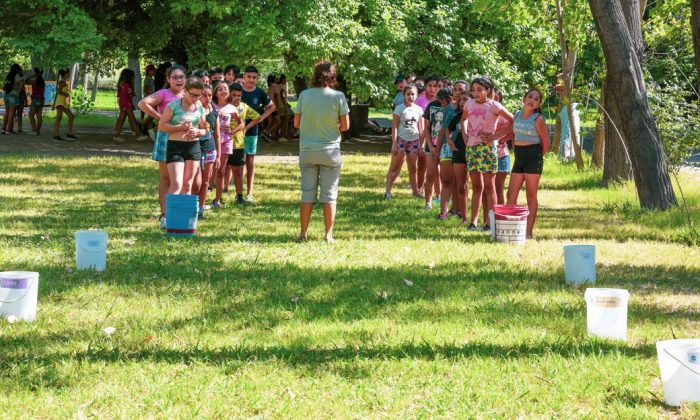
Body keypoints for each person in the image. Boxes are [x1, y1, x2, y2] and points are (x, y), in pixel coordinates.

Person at [294, 60, 350, 242]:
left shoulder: (304, 95)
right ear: (333, 76)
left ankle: (303, 234)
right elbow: (346, 126)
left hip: (307, 150)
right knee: (330, 193)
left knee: (307, 192)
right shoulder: (339, 96)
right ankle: (328, 235)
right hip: (330, 151)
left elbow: (296, 123)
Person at [462, 77, 513, 231]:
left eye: (480, 89)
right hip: (472, 149)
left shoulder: (494, 105)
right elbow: (463, 118)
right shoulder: (468, 104)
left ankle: (491, 223)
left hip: (488, 149)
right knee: (476, 186)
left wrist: (498, 136)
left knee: (489, 188)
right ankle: (474, 222)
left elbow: (513, 121)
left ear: (488, 90)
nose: (476, 93)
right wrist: (465, 134)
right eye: (474, 90)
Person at [139, 64, 187, 228]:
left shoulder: (189, 94)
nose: (178, 80)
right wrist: (160, 117)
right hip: (167, 138)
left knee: (182, 178)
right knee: (166, 178)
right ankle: (165, 214)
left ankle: (179, 211)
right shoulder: (163, 94)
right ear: (168, 79)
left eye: (181, 77)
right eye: (175, 77)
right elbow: (143, 103)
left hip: (185, 139)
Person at [506, 88, 550, 239]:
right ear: (524, 99)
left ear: (538, 105)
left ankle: (528, 232)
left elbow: (546, 143)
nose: (532, 100)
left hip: (533, 159)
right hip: (519, 159)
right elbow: (512, 133)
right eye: (530, 97)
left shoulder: (538, 119)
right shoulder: (517, 115)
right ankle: (510, 230)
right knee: (511, 194)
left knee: (531, 195)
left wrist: (536, 157)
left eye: (536, 99)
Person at [159, 76, 206, 196]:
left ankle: (184, 215)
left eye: (198, 95)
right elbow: (162, 126)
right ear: (185, 91)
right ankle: (169, 215)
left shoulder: (200, 107)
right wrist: (180, 127)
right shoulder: (173, 105)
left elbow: (205, 130)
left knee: (187, 185)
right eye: (193, 95)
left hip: (193, 147)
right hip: (175, 147)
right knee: (177, 184)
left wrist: (197, 132)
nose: (196, 98)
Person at [241, 65, 276, 204]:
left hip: (252, 131)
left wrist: (261, 117)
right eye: (248, 77)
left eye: (254, 77)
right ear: (244, 77)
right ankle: (235, 190)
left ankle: (249, 192)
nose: (251, 80)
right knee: (237, 161)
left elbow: (272, 106)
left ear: (258, 78)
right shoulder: (237, 91)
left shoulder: (260, 92)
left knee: (250, 161)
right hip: (235, 131)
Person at [384, 84, 423, 199]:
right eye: (408, 94)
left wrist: (422, 144)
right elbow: (394, 127)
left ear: (416, 95)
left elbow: (421, 128)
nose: (410, 97)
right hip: (401, 140)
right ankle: (387, 192)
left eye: (413, 94)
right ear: (404, 95)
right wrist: (394, 143)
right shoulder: (399, 108)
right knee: (394, 167)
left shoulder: (419, 109)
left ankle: (415, 191)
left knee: (412, 168)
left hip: (414, 141)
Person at [228, 83, 263, 205]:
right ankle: (220, 195)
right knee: (222, 170)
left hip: (239, 143)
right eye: (233, 95)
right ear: (229, 94)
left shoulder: (244, 107)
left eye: (238, 95)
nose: (236, 98)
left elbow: (257, 117)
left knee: (238, 170)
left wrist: (246, 128)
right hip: (224, 143)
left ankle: (239, 196)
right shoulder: (224, 107)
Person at [194, 83, 220, 219]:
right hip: (195, 147)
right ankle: (192, 204)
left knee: (205, 182)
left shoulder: (214, 111)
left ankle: (200, 209)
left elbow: (217, 135)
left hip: (210, 148)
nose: (207, 98)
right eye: (204, 95)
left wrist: (219, 156)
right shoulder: (194, 111)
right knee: (195, 181)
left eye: (210, 95)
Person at [421, 81, 448, 210]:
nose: (438, 89)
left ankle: (444, 202)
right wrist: (430, 146)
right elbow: (426, 127)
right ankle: (428, 202)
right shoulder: (432, 106)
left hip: (445, 147)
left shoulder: (452, 106)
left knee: (445, 176)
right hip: (431, 145)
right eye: (437, 86)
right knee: (430, 174)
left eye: (441, 86)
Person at [446, 90, 471, 223]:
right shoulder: (458, 116)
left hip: (474, 152)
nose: (462, 102)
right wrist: (449, 141)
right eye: (461, 100)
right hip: (458, 152)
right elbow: (448, 129)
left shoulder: (478, 114)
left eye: (466, 99)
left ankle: (481, 219)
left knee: (479, 187)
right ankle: (464, 217)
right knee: (461, 186)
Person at [211, 81, 237, 208]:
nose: (223, 91)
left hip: (226, 141)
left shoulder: (232, 108)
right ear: (215, 92)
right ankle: (203, 194)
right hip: (212, 141)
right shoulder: (211, 106)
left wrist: (233, 131)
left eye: (225, 89)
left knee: (221, 170)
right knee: (210, 169)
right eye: (220, 89)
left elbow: (241, 123)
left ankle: (217, 199)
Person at [434, 87, 459, 219]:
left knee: (460, 181)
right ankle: (443, 211)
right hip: (447, 146)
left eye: (461, 89)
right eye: (455, 89)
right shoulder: (448, 109)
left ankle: (458, 209)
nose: (458, 92)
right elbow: (442, 130)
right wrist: (437, 150)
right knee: (447, 179)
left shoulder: (470, 106)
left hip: (462, 146)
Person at [114, 68, 148, 143]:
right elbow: (132, 94)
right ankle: (138, 135)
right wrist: (132, 84)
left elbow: (121, 95)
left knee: (122, 119)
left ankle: (117, 135)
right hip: (126, 103)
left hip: (123, 103)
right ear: (129, 77)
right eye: (133, 76)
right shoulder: (127, 85)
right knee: (132, 119)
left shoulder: (122, 84)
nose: (134, 77)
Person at [52, 69, 78, 142]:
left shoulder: (65, 82)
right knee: (59, 118)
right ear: (65, 74)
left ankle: (69, 133)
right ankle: (55, 135)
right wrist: (65, 94)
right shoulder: (62, 82)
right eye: (68, 73)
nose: (69, 74)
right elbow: (59, 92)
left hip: (63, 102)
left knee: (71, 116)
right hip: (60, 102)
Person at [2, 63, 23, 135]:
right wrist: (19, 91)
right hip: (14, 95)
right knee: (12, 113)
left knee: (6, 112)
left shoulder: (7, 75)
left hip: (6, 95)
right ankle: (8, 130)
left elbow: (3, 85)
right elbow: (21, 83)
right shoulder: (16, 75)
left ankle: (3, 129)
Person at [27, 67, 45, 135]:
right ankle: (38, 131)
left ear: (35, 73)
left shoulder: (34, 81)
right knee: (39, 115)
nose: (32, 73)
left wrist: (29, 76)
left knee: (31, 115)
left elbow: (26, 81)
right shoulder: (42, 81)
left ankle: (34, 130)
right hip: (41, 99)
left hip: (35, 99)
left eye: (33, 72)